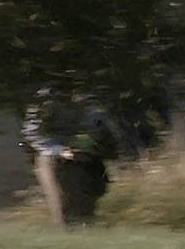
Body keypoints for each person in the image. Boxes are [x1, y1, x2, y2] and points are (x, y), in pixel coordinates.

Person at [21, 85, 122, 225]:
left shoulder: (90, 98)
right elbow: (32, 133)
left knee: (88, 206)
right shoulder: (45, 99)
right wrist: (59, 150)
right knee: (64, 208)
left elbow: (106, 130)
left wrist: (100, 148)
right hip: (56, 159)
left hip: (88, 158)